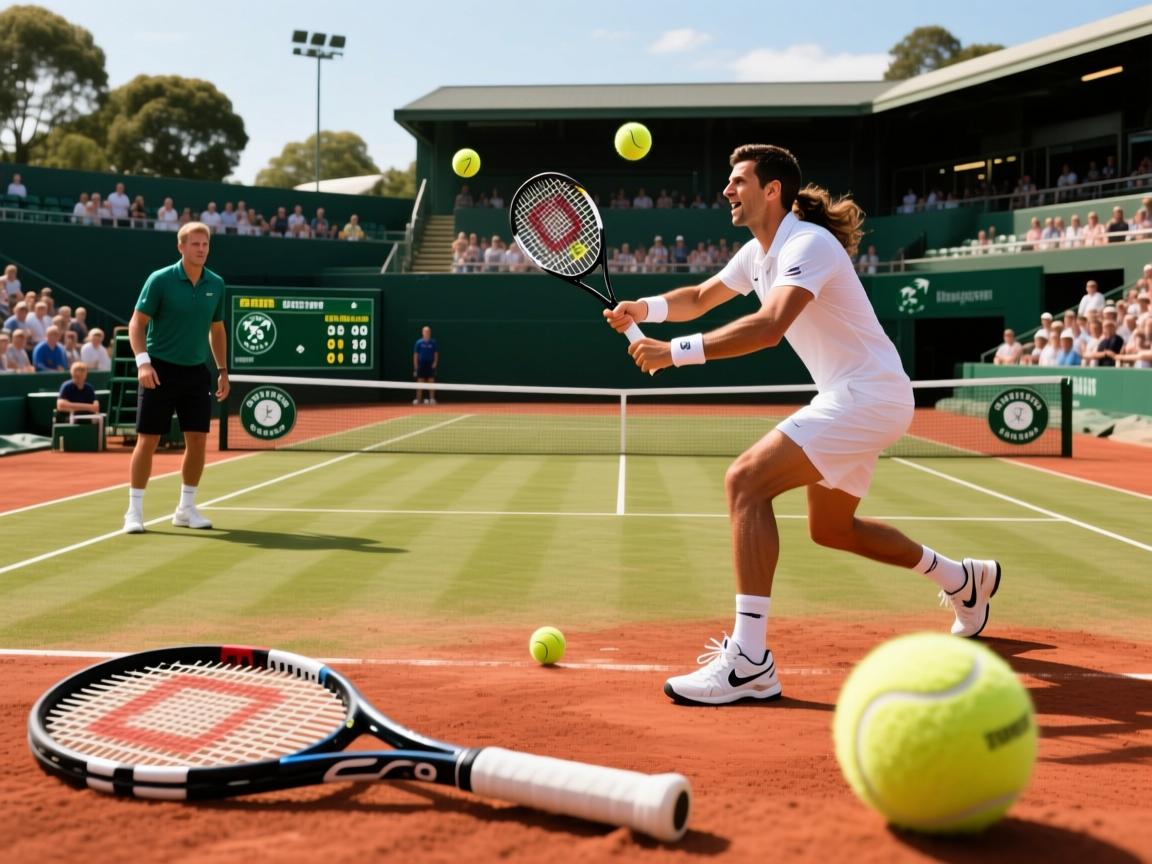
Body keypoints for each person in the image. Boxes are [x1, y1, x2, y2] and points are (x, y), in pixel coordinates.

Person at [604, 143, 999, 706]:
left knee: (745, 481)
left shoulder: (808, 243)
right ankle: (963, 579)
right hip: (860, 396)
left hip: (867, 394)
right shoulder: (757, 253)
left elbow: (769, 326)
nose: (727, 191)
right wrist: (642, 310)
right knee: (833, 529)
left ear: (773, 191)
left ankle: (749, 662)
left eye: (738, 181)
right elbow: (697, 296)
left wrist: (675, 353)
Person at [123, 221, 229, 535]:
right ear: (180, 247)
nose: (201, 249)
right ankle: (134, 511)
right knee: (148, 439)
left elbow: (217, 329)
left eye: (205, 244)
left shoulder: (216, 283)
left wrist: (222, 370)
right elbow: (136, 324)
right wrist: (143, 363)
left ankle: (185, 509)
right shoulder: (160, 280)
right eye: (195, 244)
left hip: (196, 372)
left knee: (197, 440)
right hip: (159, 369)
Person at [412, 325, 438, 405]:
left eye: (428, 331)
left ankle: (432, 399)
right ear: (422, 332)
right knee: (420, 383)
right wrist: (416, 366)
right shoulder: (418, 342)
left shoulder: (433, 342)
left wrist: (435, 363)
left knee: (431, 382)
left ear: (430, 332)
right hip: (421, 365)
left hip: (430, 365)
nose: (427, 332)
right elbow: (416, 355)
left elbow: (436, 354)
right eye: (425, 331)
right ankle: (418, 400)